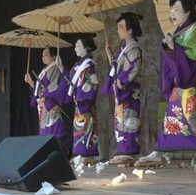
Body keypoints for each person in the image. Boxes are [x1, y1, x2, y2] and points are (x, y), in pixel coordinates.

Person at [135, 0, 196, 167]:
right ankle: (158, 152)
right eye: (171, 9)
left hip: (189, 80)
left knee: (192, 117)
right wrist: (170, 47)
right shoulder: (179, 32)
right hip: (178, 82)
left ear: (188, 12)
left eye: (177, 9)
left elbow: (193, 54)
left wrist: (174, 47)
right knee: (170, 120)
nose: (172, 13)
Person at [101, 12, 144, 167]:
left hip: (129, 91)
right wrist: (109, 54)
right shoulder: (124, 48)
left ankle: (129, 151)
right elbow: (117, 66)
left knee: (129, 120)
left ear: (130, 29)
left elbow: (134, 67)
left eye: (121, 27)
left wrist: (122, 80)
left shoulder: (134, 48)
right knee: (121, 121)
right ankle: (123, 150)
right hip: (122, 91)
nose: (118, 30)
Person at [56, 35, 100, 163]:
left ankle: (87, 153)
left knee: (87, 126)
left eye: (78, 46)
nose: (75, 48)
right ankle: (80, 153)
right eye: (75, 46)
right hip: (79, 103)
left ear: (86, 48)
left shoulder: (88, 65)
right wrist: (61, 68)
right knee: (79, 128)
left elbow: (92, 82)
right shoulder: (78, 64)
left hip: (85, 103)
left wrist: (82, 96)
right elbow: (72, 80)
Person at [24, 47, 68, 152]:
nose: (43, 57)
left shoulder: (55, 68)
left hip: (50, 104)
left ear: (54, 56)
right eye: (42, 55)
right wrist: (31, 82)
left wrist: (45, 96)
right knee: (45, 131)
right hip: (43, 105)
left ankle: (59, 154)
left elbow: (55, 85)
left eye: (46, 54)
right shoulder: (45, 70)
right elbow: (41, 88)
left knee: (53, 129)